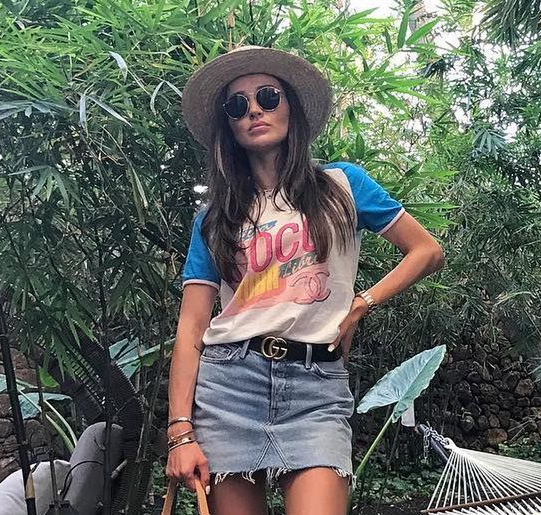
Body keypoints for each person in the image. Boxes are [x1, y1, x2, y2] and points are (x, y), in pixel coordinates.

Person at [166, 45, 445, 515]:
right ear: (228, 126)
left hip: (315, 387)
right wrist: (180, 431)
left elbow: (427, 251)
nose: (253, 110)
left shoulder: (342, 186)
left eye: (267, 96)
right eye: (237, 105)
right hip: (229, 386)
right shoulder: (214, 217)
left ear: (290, 107)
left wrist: (363, 303)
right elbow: (191, 327)